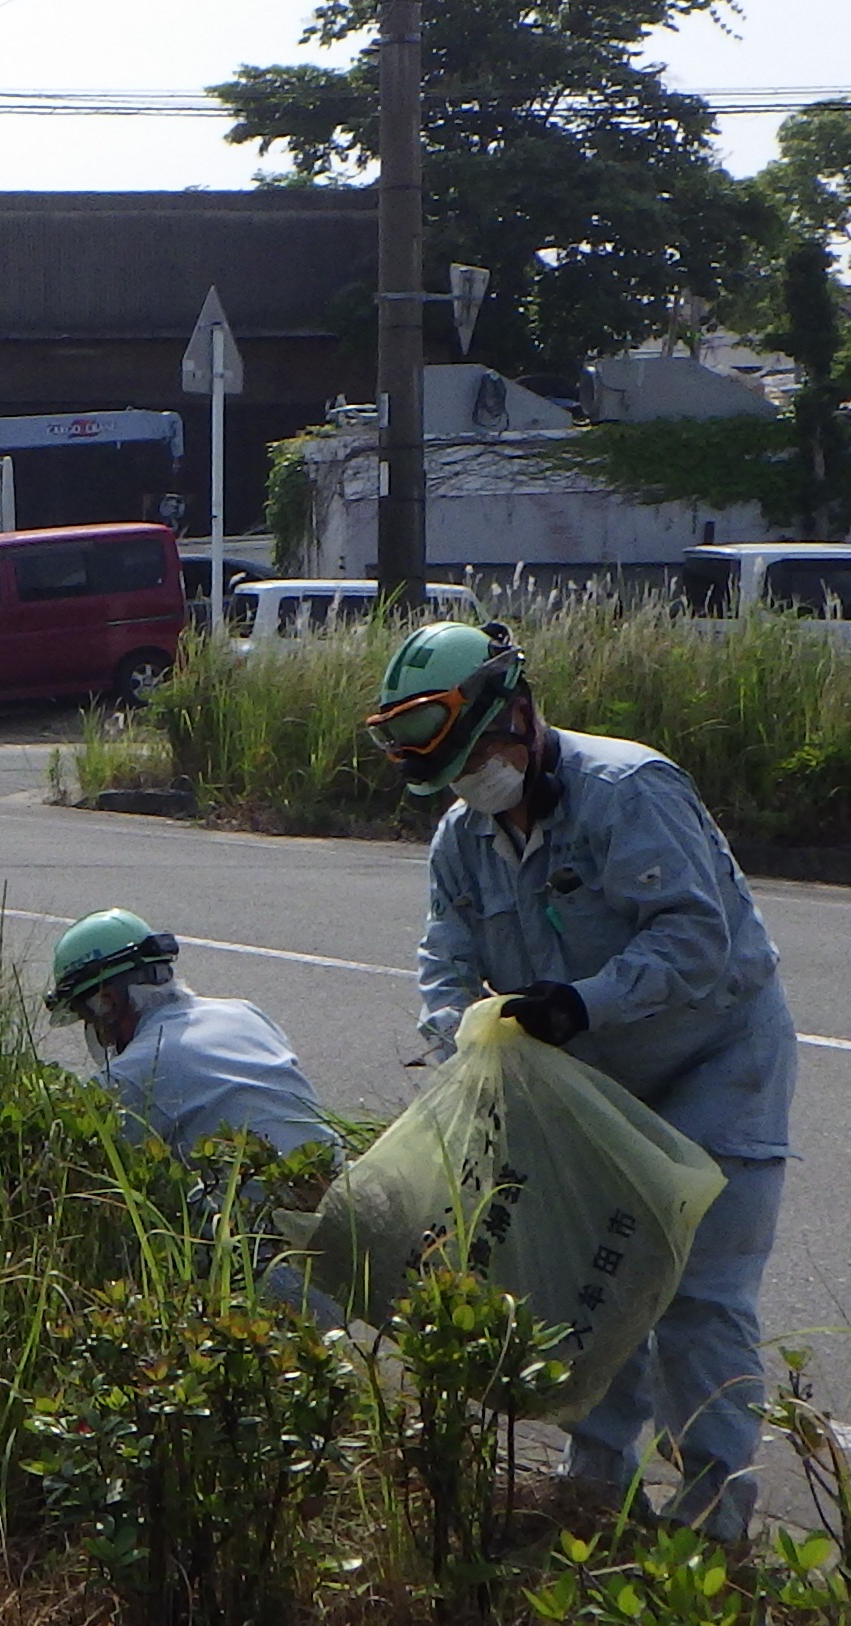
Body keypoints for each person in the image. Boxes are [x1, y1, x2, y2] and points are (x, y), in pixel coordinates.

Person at [366, 619, 797, 1543]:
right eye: (454, 772)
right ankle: (597, 1488)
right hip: (588, 1087)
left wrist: (583, 1004)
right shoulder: (464, 836)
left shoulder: (629, 791)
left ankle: (717, 1526)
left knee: (696, 1294)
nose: (473, 780)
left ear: (521, 713)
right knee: (587, 1280)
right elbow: (444, 963)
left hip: (714, 1062)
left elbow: (694, 940)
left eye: (480, 752)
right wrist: (462, 1040)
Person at [42, 909, 337, 1159]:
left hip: (260, 1218)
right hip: (335, 1184)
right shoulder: (244, 1013)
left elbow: (76, 1160)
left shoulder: (134, 1073)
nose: (100, 1037)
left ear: (108, 1002)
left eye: (88, 1018)